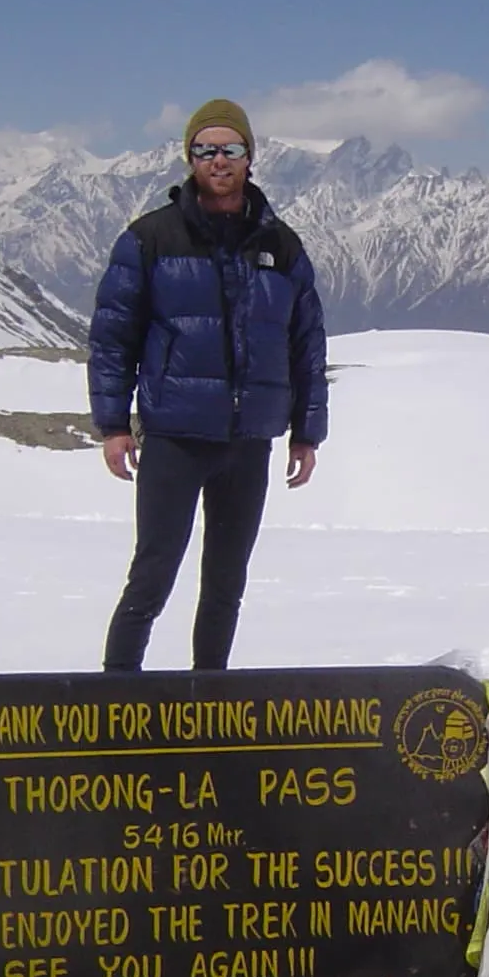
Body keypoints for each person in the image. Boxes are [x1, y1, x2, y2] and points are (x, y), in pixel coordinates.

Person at [87, 100, 328, 671]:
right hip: (176, 436)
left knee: (226, 585)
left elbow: (307, 342)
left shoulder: (282, 246)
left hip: (249, 443)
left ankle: (211, 705)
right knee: (152, 577)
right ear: (189, 157)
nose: (218, 160)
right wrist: (114, 426)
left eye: (231, 149)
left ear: (250, 156)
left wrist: (306, 432)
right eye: (205, 149)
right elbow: (113, 336)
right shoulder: (150, 239)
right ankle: (115, 700)